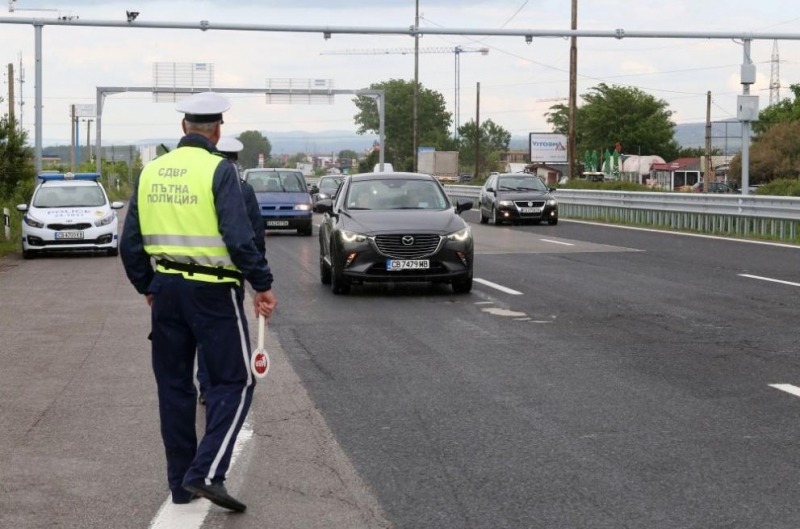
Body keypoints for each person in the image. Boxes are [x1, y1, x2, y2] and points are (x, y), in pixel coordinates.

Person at [120, 91, 278, 513]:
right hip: (213, 292)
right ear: (217, 130)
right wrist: (261, 284)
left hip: (166, 290)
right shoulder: (219, 171)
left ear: (184, 128)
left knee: (174, 389)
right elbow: (239, 237)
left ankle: (182, 485)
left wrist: (148, 287)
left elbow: (130, 244)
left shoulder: (151, 171)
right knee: (236, 382)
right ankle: (206, 473)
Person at [194, 136, 266, 406]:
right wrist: (259, 276)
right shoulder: (243, 188)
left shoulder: (202, 182)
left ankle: (206, 386)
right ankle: (227, 385)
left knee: (202, 335)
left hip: (192, 268)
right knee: (227, 335)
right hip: (228, 273)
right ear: (237, 158)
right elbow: (254, 235)